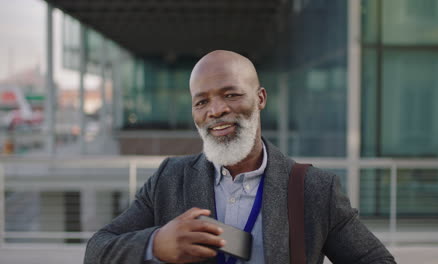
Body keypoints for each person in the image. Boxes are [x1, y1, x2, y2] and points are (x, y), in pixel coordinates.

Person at [84, 50, 395, 264]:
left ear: (260, 98)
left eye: (230, 94)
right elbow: (97, 250)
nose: (215, 110)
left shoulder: (313, 188)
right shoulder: (170, 178)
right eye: (201, 101)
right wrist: (156, 244)